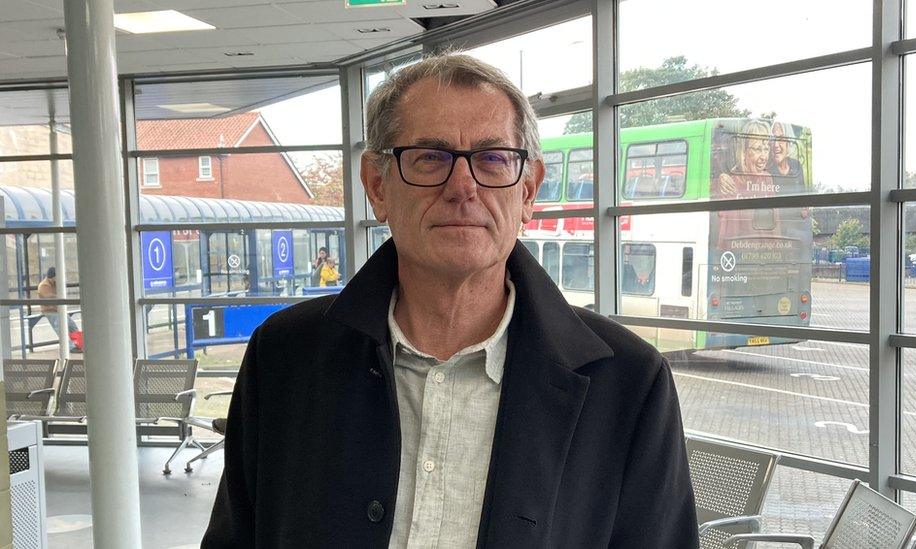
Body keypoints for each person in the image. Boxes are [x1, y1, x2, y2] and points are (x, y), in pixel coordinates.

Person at [202, 53, 699, 548]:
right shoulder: (284, 356)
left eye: (493, 158)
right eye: (430, 157)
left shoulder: (627, 381)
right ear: (377, 185)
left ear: (528, 190)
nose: (463, 187)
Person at [36, 267, 81, 352]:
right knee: (61, 329)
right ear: (52, 277)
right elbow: (50, 298)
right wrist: (59, 296)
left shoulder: (55, 284)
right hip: (50, 311)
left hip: (59, 309)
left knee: (72, 326)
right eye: (56, 277)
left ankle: (77, 343)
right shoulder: (44, 285)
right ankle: (70, 347)